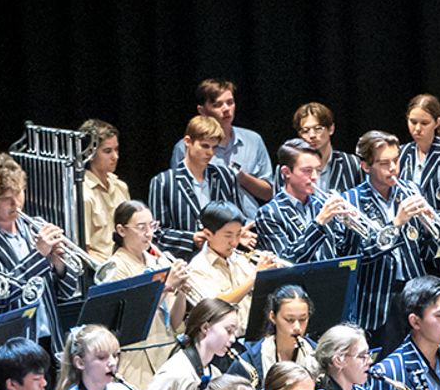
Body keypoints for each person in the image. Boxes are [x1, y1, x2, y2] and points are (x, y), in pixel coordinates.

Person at [0, 151, 83, 322]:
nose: (15, 203)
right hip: (14, 334)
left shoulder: (36, 226)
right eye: (4, 198)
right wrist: (38, 255)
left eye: (18, 193)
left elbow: (66, 293)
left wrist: (59, 264)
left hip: (50, 332)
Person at [342, 128, 440, 336]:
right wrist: (396, 224)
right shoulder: (351, 201)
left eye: (396, 160)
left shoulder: (411, 189)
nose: (393, 168)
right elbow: (359, 255)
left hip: (414, 293)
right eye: (384, 163)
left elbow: (426, 252)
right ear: (366, 166)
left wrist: (430, 228)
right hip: (377, 299)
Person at [100, 199, 189, 389]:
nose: (149, 233)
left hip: (167, 352)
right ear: (121, 230)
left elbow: (174, 322)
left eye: (152, 226)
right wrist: (166, 286)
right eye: (141, 227)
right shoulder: (115, 268)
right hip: (136, 360)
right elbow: (130, 321)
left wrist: (182, 290)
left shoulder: (158, 262)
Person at [141, 297, 245, 390]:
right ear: (205, 328)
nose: (233, 339)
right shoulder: (174, 371)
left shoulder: (215, 374)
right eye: (228, 331)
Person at [252, 139, 366, 268]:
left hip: (330, 278)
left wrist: (352, 229)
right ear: (286, 172)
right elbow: (285, 262)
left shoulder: (321, 205)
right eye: (307, 170)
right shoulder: (269, 213)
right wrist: (318, 224)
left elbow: (344, 254)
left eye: (318, 170)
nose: (314, 176)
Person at [166, 78, 275, 206]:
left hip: (248, 218)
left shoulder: (253, 140)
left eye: (230, 102)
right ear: (202, 111)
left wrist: (242, 178)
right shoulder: (187, 146)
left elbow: (268, 193)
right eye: (217, 105)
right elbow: (179, 195)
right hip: (206, 217)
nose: (226, 109)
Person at [147, 115, 243, 257]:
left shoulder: (225, 176)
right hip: (185, 261)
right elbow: (156, 233)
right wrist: (191, 239)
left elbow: (237, 217)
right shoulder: (163, 182)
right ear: (187, 141)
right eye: (204, 146)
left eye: (214, 147)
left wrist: (241, 232)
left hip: (224, 259)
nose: (210, 153)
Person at [181, 202, 282, 335]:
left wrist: (272, 275)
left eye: (238, 234)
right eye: (228, 235)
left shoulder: (240, 258)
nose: (234, 242)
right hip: (227, 341)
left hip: (255, 335)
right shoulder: (197, 267)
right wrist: (255, 276)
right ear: (208, 234)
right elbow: (218, 306)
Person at [398, 93, 440, 200]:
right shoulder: (401, 152)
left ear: (437, 123)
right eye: (413, 122)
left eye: (424, 123)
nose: (417, 128)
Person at [77, 119, 129, 259]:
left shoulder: (121, 187)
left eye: (116, 149)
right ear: (90, 154)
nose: (115, 157)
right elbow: (83, 251)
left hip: (127, 261)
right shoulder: (83, 195)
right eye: (107, 151)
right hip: (103, 267)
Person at [289, 102, 365, 195]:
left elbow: (364, 198)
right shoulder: (289, 166)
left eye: (318, 128)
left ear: (331, 129)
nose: (312, 135)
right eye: (305, 131)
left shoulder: (351, 163)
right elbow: (280, 201)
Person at [250, 285, 318, 385]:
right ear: (273, 317)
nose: (297, 327)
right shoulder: (250, 360)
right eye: (290, 320)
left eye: (303, 319)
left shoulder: (316, 355)